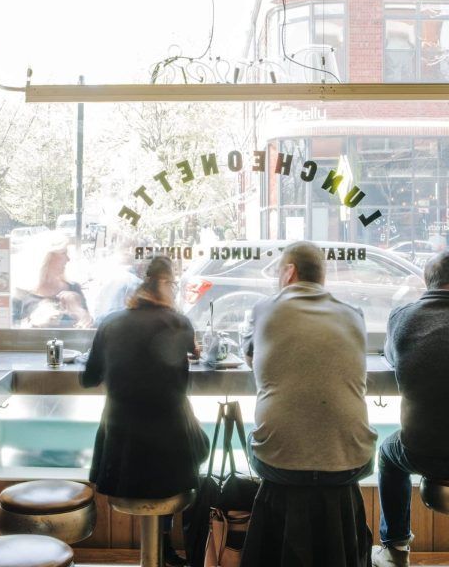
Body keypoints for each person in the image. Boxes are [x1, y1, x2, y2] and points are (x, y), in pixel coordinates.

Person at [82, 256, 209, 567]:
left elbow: (88, 379)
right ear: (166, 286)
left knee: (161, 454)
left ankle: (160, 549)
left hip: (119, 457)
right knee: (198, 448)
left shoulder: (110, 323)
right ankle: (167, 546)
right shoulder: (178, 322)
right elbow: (194, 353)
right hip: (172, 458)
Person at [242, 240, 377, 484]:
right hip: (352, 461)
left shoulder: (264, 308)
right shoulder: (353, 313)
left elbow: (251, 359)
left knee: (257, 439)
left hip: (277, 461)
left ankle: (275, 521)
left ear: (289, 271)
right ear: (322, 276)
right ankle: (347, 522)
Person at [372, 251, 449, 567]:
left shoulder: (403, 316)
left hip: (422, 449)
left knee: (388, 454)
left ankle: (395, 548)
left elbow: (392, 357)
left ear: (427, 282)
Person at [13, 240, 92, 327]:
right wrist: (35, 323)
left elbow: (89, 330)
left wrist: (78, 310)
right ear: (47, 257)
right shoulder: (22, 294)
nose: (68, 259)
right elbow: (10, 332)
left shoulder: (74, 289)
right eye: (63, 253)